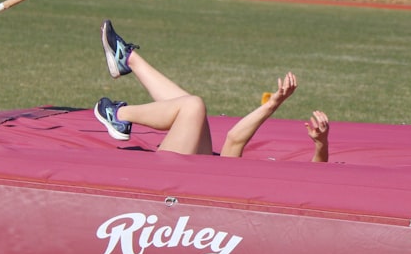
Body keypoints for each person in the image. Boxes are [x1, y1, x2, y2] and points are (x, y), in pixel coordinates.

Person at [93, 20, 329, 161]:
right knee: (192, 108)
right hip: (208, 171)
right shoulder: (270, 175)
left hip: (178, 186)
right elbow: (234, 140)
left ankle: (119, 116)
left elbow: (315, 178)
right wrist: (273, 103)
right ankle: (128, 59)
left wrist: (321, 145)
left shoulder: (279, 192)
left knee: (193, 106)